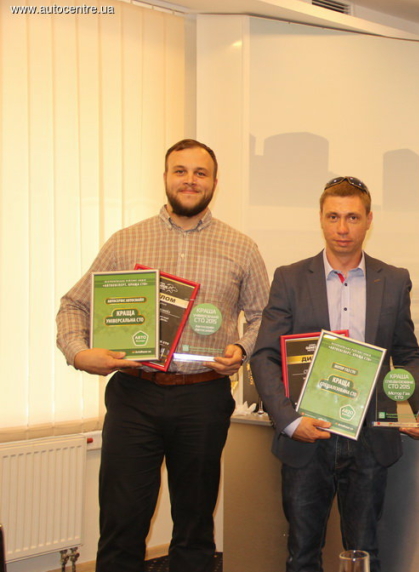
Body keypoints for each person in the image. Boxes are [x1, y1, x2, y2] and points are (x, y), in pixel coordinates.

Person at [56, 139, 270, 572]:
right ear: (166, 177)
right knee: (121, 521)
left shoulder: (242, 247)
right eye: (180, 171)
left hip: (203, 397)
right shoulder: (125, 242)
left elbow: (264, 316)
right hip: (134, 394)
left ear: (214, 182)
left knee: (194, 524)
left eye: (200, 173)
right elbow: (74, 304)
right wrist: (80, 354)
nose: (190, 180)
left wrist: (242, 348)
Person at [250, 176, 419, 572]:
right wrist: (289, 421)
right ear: (320, 218)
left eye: (352, 217)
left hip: (370, 435)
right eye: (333, 217)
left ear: (369, 220)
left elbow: (406, 352)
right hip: (307, 432)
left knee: (365, 552)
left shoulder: (394, 279)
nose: (342, 228)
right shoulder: (290, 278)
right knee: (302, 554)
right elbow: (264, 356)